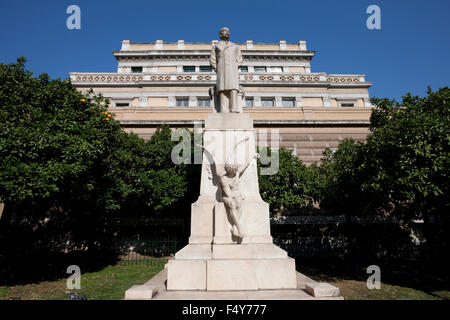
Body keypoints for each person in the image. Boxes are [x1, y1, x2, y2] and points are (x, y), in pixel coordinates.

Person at [210, 27, 243, 113]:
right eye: (224, 32)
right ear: (220, 34)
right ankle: (223, 108)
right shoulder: (216, 46)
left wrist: (235, 66)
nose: (226, 33)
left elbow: (240, 59)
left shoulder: (235, 46)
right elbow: (212, 60)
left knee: (233, 88)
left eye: (228, 32)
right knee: (222, 88)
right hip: (221, 69)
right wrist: (217, 69)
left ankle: (234, 107)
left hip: (232, 69)